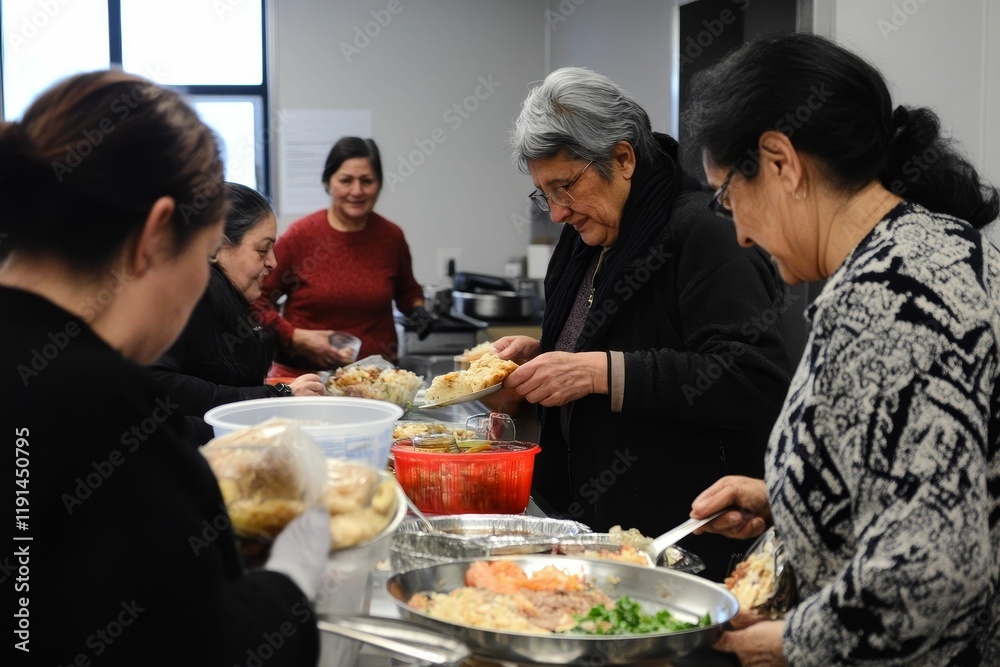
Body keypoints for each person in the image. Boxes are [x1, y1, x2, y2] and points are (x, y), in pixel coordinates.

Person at [684, 33, 1000, 666]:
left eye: (728, 198)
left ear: (781, 162)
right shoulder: (942, 245)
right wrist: (795, 495)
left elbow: (929, 571)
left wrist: (789, 644)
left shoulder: (888, 298)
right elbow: (941, 472)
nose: (739, 233)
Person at [0, 71, 330, 666]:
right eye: (201, 256)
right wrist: (289, 585)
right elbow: (198, 645)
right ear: (154, 237)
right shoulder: (103, 408)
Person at [497, 67, 792, 582]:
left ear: (623, 158)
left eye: (565, 186)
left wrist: (600, 373)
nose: (558, 213)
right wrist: (547, 353)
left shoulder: (702, 230)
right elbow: (621, 339)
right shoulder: (585, 237)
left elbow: (751, 377)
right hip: (593, 526)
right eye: (544, 194)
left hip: (683, 544)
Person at [150, 182, 325, 445]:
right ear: (217, 247)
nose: (273, 262)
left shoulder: (227, 300)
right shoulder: (182, 299)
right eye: (262, 250)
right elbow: (161, 383)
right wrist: (277, 397)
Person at [255, 136, 428, 373]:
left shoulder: (391, 237)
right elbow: (258, 298)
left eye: (367, 181)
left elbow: (407, 290)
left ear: (379, 184)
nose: (357, 191)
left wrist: (417, 309)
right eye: (346, 180)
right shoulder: (301, 236)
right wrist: (294, 335)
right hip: (306, 377)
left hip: (377, 377)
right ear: (328, 182)